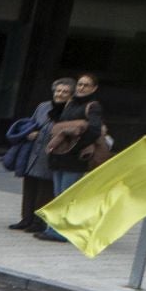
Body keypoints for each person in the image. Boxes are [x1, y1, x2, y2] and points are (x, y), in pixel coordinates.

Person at [36, 73, 105, 243]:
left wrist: (77, 146)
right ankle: (51, 228)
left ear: (94, 88)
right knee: (58, 194)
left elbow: (95, 130)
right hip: (60, 155)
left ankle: (60, 232)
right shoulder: (70, 103)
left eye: (86, 85)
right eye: (80, 84)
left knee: (67, 195)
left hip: (73, 158)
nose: (81, 87)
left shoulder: (93, 106)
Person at [5, 79, 73, 231]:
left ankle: (38, 222)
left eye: (64, 92)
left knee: (45, 189)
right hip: (34, 152)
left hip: (52, 153)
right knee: (30, 185)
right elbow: (32, 123)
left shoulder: (72, 110)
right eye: (58, 91)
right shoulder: (43, 106)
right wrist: (29, 133)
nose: (60, 94)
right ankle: (26, 218)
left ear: (71, 95)